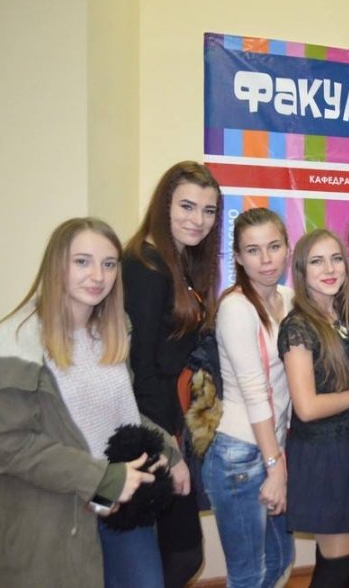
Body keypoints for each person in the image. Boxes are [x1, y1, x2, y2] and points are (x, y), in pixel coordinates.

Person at [0, 217, 188, 588]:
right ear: (56, 264)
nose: (98, 275)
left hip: (120, 503)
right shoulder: (9, 343)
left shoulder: (114, 330)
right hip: (55, 515)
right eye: (82, 262)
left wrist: (169, 451)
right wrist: (103, 478)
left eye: (109, 264)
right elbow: (10, 446)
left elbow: (117, 415)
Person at [123, 160, 223, 587]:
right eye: (186, 206)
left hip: (174, 422)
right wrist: (168, 450)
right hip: (152, 431)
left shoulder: (180, 263)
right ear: (164, 205)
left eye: (208, 210)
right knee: (177, 556)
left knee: (176, 555)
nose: (198, 220)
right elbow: (140, 368)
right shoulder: (145, 266)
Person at [278, 229, 349, 587]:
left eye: (336, 258)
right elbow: (306, 407)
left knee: (340, 559)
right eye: (317, 261)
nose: (330, 268)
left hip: (346, 447)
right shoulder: (298, 326)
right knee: (341, 562)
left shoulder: (340, 316)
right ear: (301, 270)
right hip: (320, 454)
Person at [203, 208, 296, 587]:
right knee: (248, 574)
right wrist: (275, 467)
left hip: (273, 444)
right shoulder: (236, 308)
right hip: (239, 453)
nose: (266, 259)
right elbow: (256, 392)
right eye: (253, 250)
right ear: (238, 258)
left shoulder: (289, 298)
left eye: (274, 246)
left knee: (280, 559)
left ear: (288, 248)